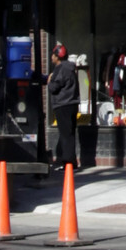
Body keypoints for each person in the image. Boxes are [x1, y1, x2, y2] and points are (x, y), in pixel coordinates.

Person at [47, 43, 80, 173]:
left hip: (63, 105)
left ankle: (68, 162)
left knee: (65, 134)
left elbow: (54, 87)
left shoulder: (60, 69)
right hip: (72, 104)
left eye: (53, 55)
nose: (51, 57)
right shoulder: (71, 68)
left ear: (57, 57)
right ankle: (71, 161)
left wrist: (49, 81)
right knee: (70, 133)